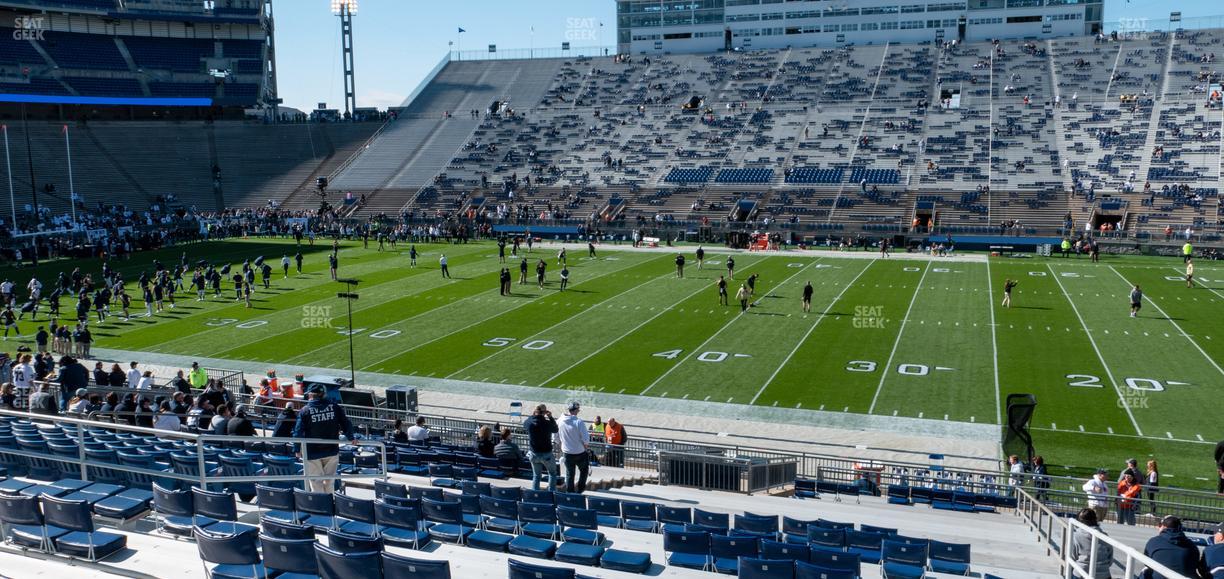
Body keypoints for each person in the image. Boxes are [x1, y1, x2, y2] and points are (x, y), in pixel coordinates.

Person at [292, 384, 356, 493]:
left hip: (312, 452)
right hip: (331, 450)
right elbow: (346, 423)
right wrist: (351, 437)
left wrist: (297, 449)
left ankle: (321, 507)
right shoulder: (334, 406)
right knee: (329, 481)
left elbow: (298, 432)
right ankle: (329, 503)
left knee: (316, 482)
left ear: (311, 395)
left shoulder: (305, 411)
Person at [1141, 516, 1210, 579]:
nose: (1158, 528)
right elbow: (1195, 565)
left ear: (1164, 527)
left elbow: (1146, 562)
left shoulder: (1153, 541)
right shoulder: (1192, 546)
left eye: (1160, 525)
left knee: (1145, 571)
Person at [1069, 508, 1114, 579]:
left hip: (1081, 573)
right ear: (1095, 520)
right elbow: (1110, 560)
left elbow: (1072, 558)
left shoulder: (1076, 536)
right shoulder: (1105, 536)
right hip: (1104, 575)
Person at [523, 404, 559, 491]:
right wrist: (550, 417)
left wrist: (533, 415)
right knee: (552, 474)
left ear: (535, 412)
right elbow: (555, 429)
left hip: (534, 453)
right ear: (544, 413)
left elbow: (525, 423)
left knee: (536, 475)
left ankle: (535, 494)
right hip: (546, 454)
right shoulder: (547, 423)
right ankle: (551, 493)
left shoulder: (530, 423)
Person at [558, 401, 590, 493]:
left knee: (570, 474)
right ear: (576, 410)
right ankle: (580, 489)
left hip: (567, 452)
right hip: (579, 452)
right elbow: (586, 440)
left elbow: (555, 437)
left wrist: (562, 445)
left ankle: (570, 493)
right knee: (584, 470)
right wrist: (586, 448)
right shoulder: (578, 422)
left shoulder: (560, 420)